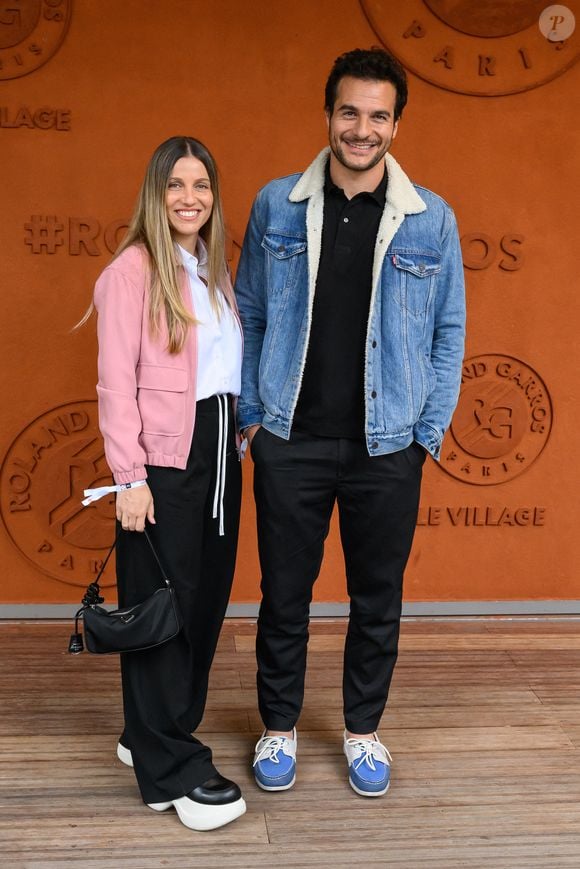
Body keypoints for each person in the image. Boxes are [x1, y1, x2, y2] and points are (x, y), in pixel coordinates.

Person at [235, 48, 466, 797]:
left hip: (387, 445)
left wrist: (425, 435)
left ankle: (364, 731)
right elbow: (251, 313)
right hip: (290, 440)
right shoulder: (277, 204)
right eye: (348, 112)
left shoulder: (433, 220)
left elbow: (449, 332)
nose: (360, 129)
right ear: (328, 114)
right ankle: (279, 726)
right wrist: (251, 424)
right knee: (284, 594)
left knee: (378, 597)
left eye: (377, 115)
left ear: (397, 124)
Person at [88, 136, 246, 830]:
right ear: (156, 193)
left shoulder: (209, 266)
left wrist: (242, 431)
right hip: (162, 464)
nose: (190, 197)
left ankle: (149, 730)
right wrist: (129, 477)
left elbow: (216, 371)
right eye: (177, 184)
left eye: (202, 184)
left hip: (219, 451)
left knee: (204, 601)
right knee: (164, 611)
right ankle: (171, 773)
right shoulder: (131, 271)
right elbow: (115, 383)